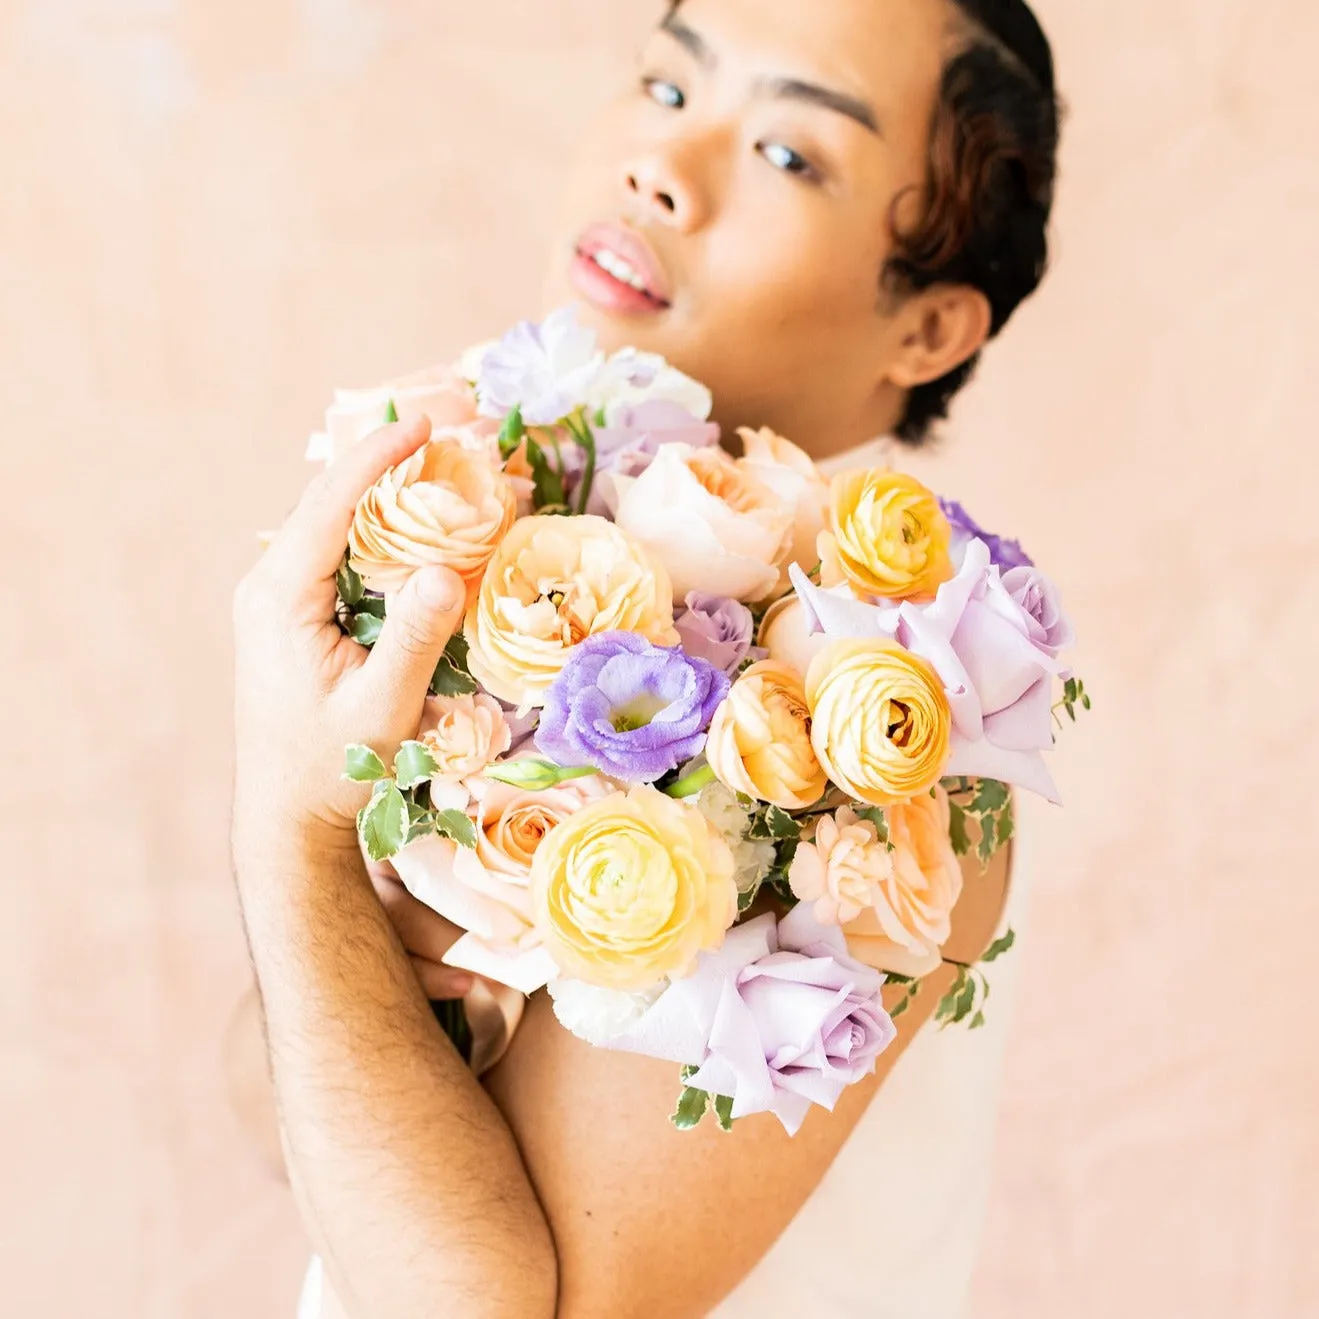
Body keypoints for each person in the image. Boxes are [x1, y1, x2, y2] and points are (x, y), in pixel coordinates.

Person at [228, 0, 1061, 1314]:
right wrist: (369, 936)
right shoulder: (542, 543)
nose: (658, 167)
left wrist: (294, 821)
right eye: (669, 88)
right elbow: (288, 1108)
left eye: (790, 154)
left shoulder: (890, 725)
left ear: (928, 330)